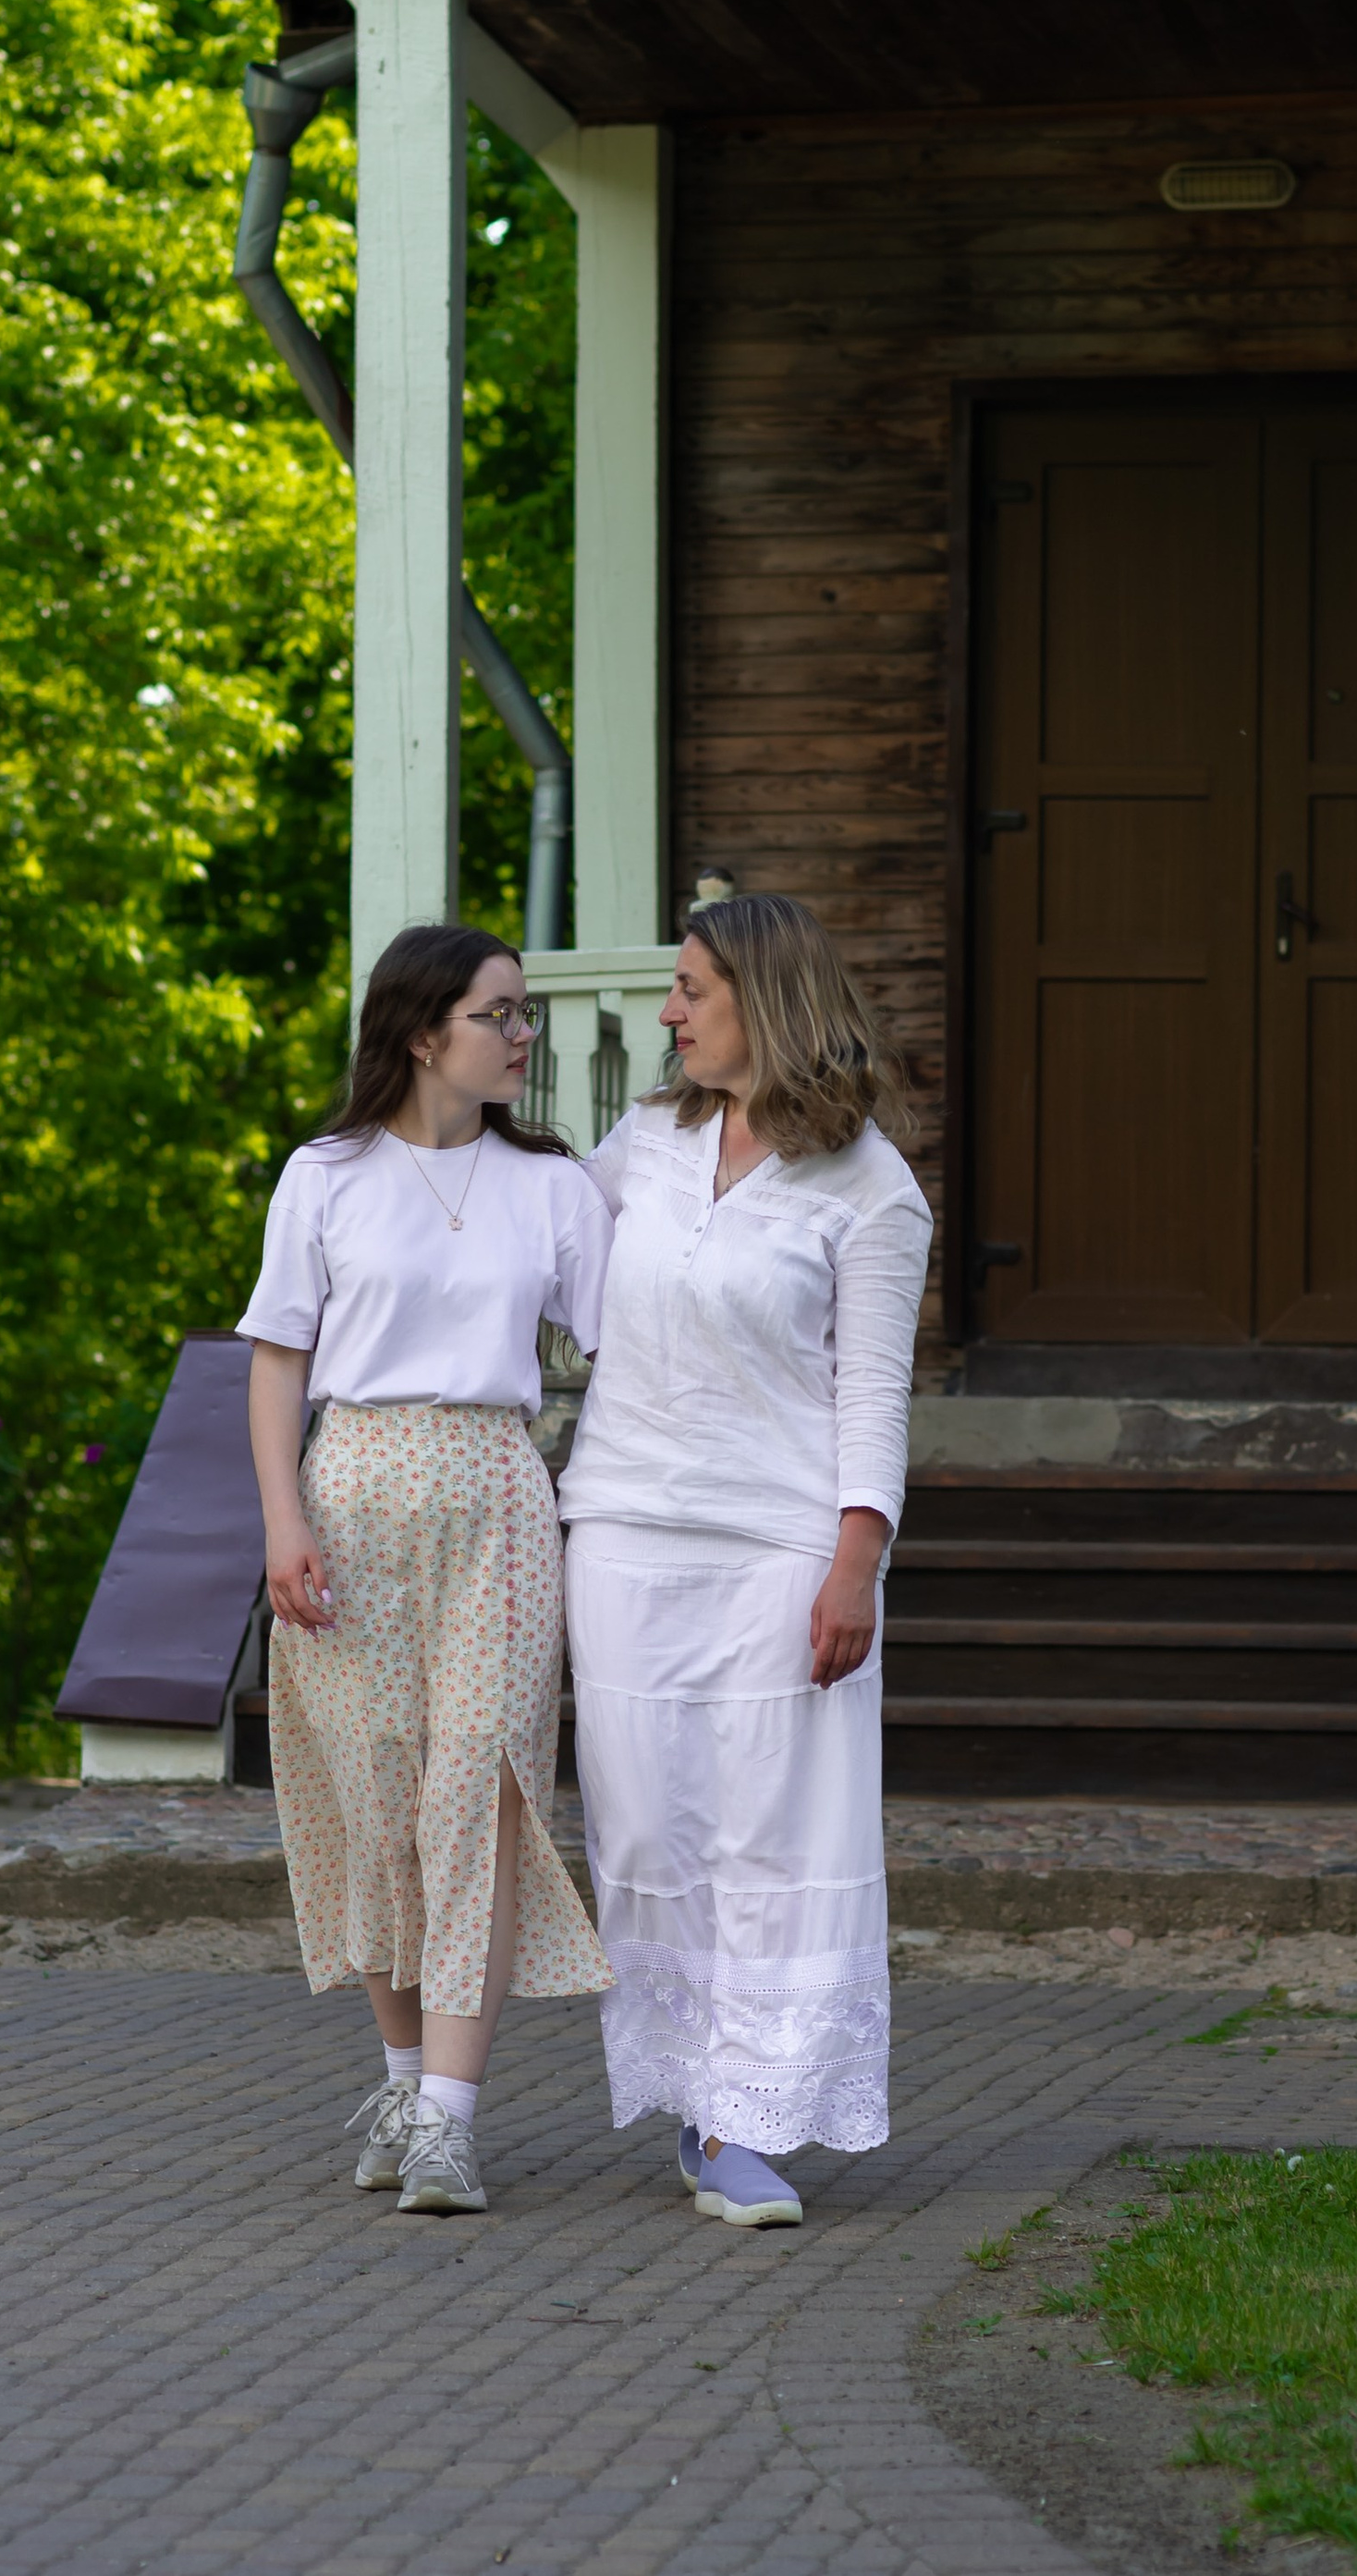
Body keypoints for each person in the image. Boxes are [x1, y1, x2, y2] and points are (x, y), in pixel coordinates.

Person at [562, 891, 932, 2227]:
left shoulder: (872, 1188)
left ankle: (742, 2125)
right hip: (620, 1535)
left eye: (691, 988)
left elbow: (874, 1397)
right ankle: (688, 2094)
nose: (668, 1012)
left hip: (780, 1545)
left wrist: (857, 1564)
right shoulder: (645, 1142)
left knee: (775, 1840)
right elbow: (535, 1263)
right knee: (653, 1831)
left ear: (763, 1003)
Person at [240, 922, 614, 2217]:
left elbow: (631, 1344)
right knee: (375, 1797)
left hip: (498, 1496)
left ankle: (453, 2120)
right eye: (500, 1014)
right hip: (350, 1496)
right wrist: (282, 1519)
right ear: (421, 1032)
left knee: (484, 1786)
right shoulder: (326, 1175)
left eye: (524, 1017)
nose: (524, 1036)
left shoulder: (555, 1187)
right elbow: (279, 1358)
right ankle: (403, 2081)